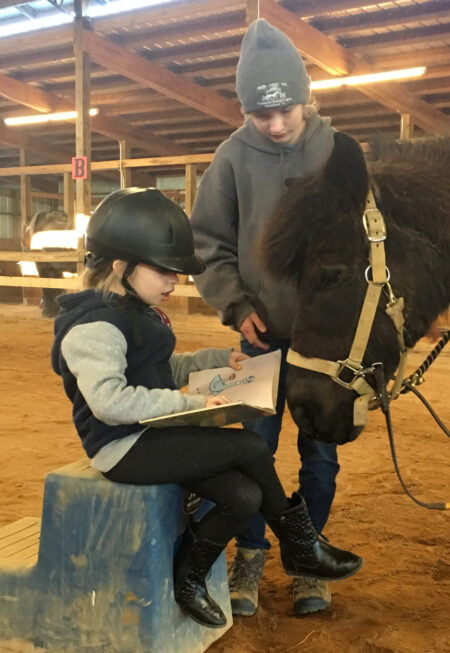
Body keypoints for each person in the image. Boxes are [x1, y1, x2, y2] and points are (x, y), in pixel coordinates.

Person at [51, 187, 362, 629]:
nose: (173, 282)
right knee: (250, 450)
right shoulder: (94, 328)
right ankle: (302, 546)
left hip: (151, 434)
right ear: (120, 267)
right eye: (163, 271)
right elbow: (110, 401)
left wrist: (218, 359)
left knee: (244, 495)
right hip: (123, 448)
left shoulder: (136, 311)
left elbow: (163, 367)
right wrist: (191, 403)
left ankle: (188, 577)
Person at [190, 19, 341, 617]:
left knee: (321, 459)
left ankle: (308, 559)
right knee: (252, 450)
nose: (276, 126)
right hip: (260, 341)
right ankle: (249, 554)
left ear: (305, 98)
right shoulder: (229, 159)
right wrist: (237, 304)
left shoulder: (337, 151)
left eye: (287, 112)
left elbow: (367, 244)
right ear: (246, 109)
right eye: (261, 114)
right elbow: (208, 243)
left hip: (323, 346)